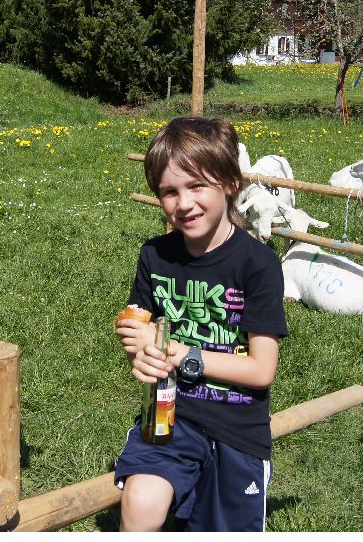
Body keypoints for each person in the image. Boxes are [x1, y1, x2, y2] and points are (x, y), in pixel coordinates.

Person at [113, 116, 288, 532]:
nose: (184, 203)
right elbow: (140, 330)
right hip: (168, 416)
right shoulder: (155, 256)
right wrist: (139, 352)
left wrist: (179, 354)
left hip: (237, 428)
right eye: (169, 192)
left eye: (196, 186)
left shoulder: (258, 264)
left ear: (230, 183)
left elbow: (261, 370)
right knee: (140, 502)